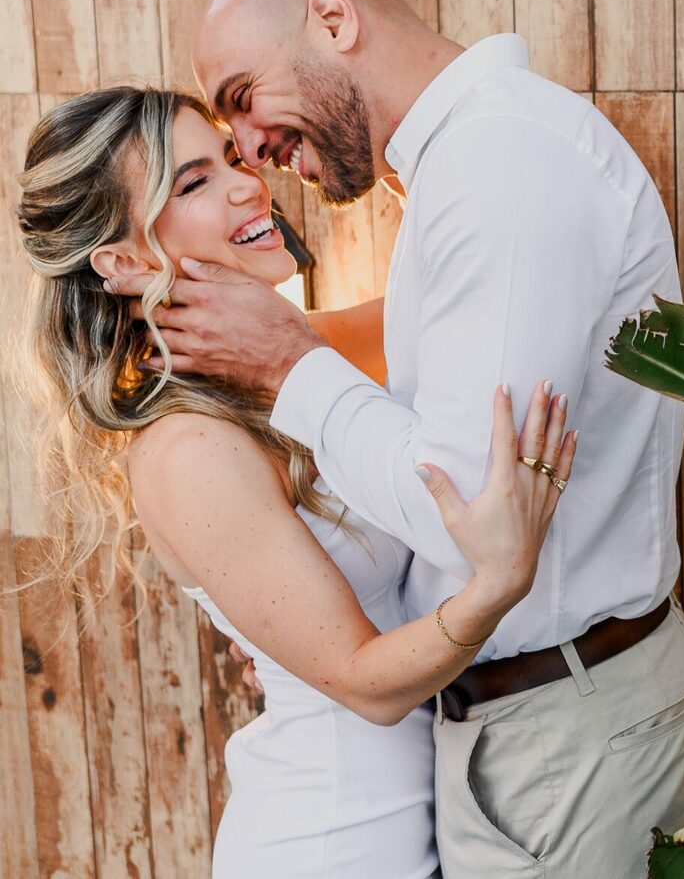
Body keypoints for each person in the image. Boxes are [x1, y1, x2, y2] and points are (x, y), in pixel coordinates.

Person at [106, 0, 684, 877]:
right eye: (200, 173)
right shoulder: (471, 170)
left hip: (554, 729)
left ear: (334, 22)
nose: (253, 163)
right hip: (449, 767)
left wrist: (290, 356)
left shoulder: (498, 164)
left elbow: (458, 508)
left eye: (240, 108)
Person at [16, 85, 577, 878]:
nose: (249, 183)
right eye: (194, 182)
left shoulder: (285, 356)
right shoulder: (189, 447)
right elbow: (364, 685)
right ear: (124, 261)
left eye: (232, 158)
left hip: (448, 807)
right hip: (337, 840)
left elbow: (454, 303)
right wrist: (499, 582)